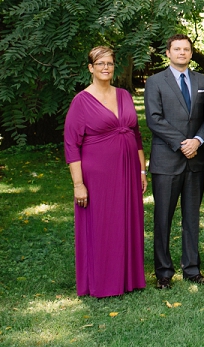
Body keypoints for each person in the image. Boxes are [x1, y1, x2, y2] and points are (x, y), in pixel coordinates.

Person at [64, 46, 147, 298]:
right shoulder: (81, 101)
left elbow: (136, 135)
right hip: (97, 175)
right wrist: (78, 184)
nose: (105, 68)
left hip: (129, 170)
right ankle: (102, 282)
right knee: (102, 226)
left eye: (109, 63)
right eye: (100, 64)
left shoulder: (124, 95)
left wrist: (142, 171)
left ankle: (127, 279)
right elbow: (71, 145)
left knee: (126, 221)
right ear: (90, 68)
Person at [144, 34, 204, 289]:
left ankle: (192, 268)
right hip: (167, 159)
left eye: (186, 49)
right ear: (168, 53)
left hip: (195, 159)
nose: (182, 53)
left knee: (192, 217)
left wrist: (198, 140)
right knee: (163, 218)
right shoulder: (155, 82)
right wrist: (183, 143)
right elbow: (154, 119)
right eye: (177, 49)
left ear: (191, 53)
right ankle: (163, 272)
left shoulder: (202, 81)